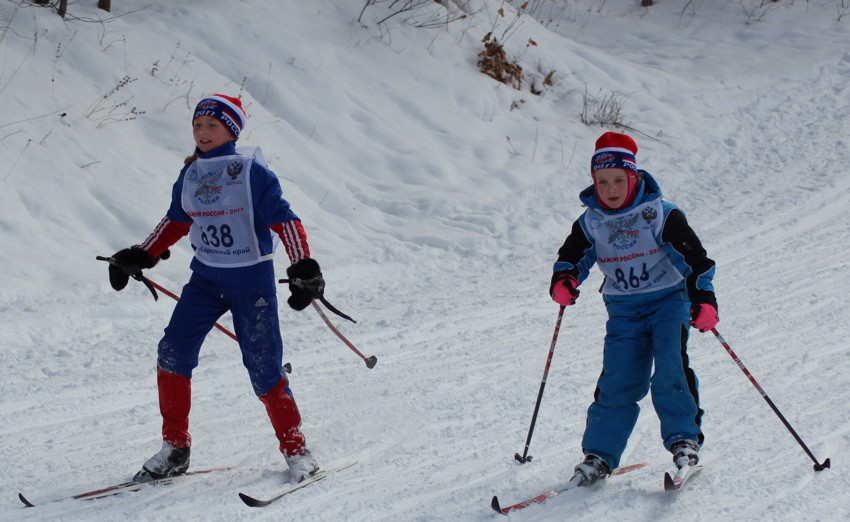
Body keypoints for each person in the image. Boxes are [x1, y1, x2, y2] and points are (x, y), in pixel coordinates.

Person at [107, 94, 324, 483]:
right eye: (197, 125)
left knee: (263, 367)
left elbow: (285, 220)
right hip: (205, 280)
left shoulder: (250, 171)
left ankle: (296, 449)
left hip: (251, 282)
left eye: (212, 125)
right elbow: (176, 221)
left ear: (231, 130)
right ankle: (175, 448)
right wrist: (140, 255)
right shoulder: (189, 174)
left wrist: (303, 267)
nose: (203, 132)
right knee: (172, 351)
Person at [549, 131, 719, 485]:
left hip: (669, 302)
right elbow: (572, 256)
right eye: (602, 182)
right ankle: (599, 456)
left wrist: (703, 298)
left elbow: (695, 260)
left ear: (634, 177)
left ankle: (684, 442)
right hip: (624, 311)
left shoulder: (659, 214)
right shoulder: (591, 221)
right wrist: (565, 279)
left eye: (618, 180)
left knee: (670, 370)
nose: (610, 189)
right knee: (618, 381)